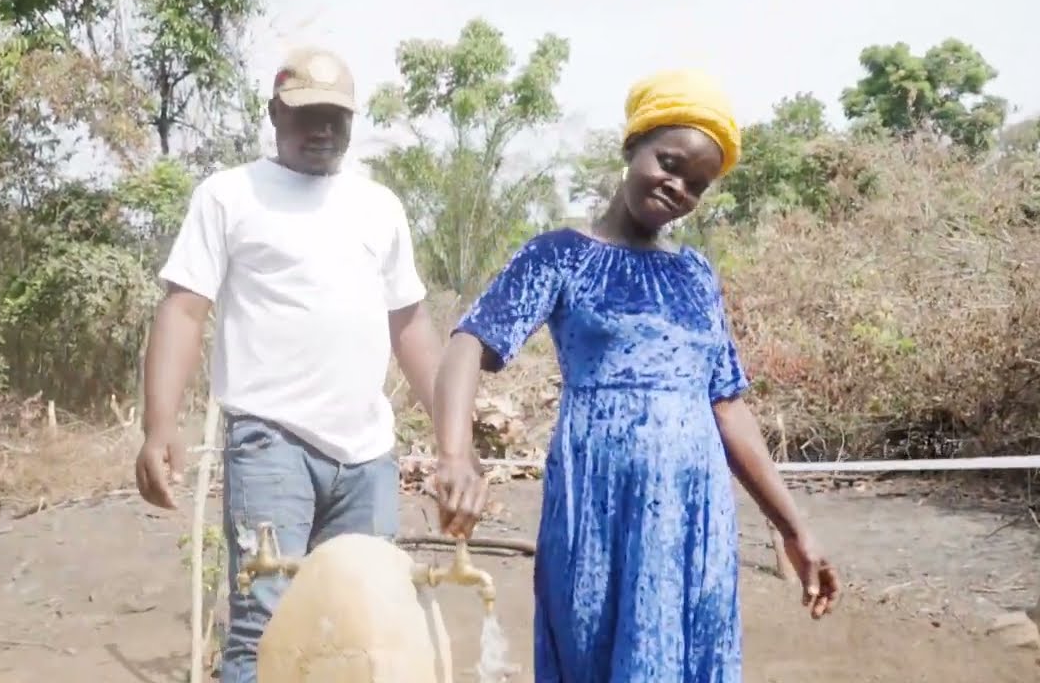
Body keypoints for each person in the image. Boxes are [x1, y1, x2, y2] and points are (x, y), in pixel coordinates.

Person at [432, 69, 842, 682]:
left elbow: (727, 407)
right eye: (669, 163)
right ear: (632, 148)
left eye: (697, 185)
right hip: (597, 505)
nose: (678, 187)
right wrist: (455, 456)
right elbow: (469, 343)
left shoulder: (697, 275)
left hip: (692, 514)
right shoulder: (562, 254)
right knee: (594, 654)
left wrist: (794, 528)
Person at [136, 46, 444, 683]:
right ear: (274, 113)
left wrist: (455, 439)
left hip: (368, 454)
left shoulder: (378, 206)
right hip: (272, 443)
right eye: (306, 115)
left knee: (363, 625)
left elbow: (409, 323)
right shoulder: (229, 195)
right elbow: (185, 310)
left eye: (335, 116)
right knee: (265, 625)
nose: (322, 130)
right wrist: (158, 429)